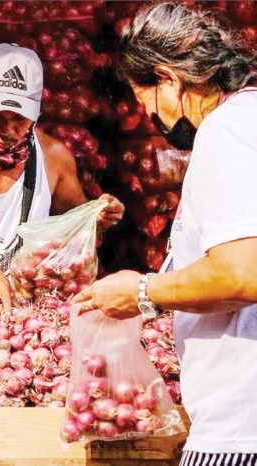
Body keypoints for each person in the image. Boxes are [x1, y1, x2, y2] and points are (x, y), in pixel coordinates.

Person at [73, 3, 257, 465]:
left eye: (146, 100)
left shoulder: (227, 129)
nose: (150, 118)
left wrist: (141, 291)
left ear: (169, 79)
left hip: (240, 431)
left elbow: (243, 273)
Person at [0, 43, 124, 308]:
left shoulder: (53, 157)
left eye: (19, 118)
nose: (7, 129)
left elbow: (74, 226)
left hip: (30, 314)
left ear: (38, 112)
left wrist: (97, 216)